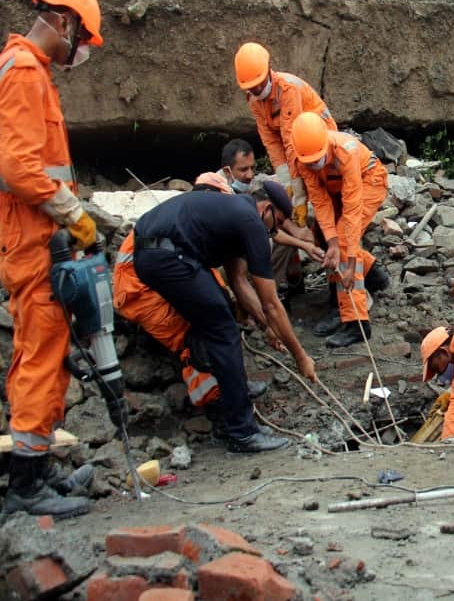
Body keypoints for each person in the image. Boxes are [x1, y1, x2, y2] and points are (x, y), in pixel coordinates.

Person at [0, 0, 104, 518]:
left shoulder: (32, 71)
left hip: (43, 241)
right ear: (63, 21)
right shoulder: (22, 72)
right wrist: (71, 212)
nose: (79, 50)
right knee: (39, 357)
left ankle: (39, 468)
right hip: (33, 241)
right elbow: (19, 168)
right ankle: (25, 486)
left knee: (48, 354)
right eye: (81, 38)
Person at [131, 183, 316, 453]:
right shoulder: (251, 222)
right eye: (276, 223)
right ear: (266, 208)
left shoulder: (234, 214)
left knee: (219, 311)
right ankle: (242, 431)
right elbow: (271, 303)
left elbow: (240, 282)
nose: (272, 232)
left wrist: (267, 327)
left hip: (156, 253)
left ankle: (233, 392)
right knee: (223, 330)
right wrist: (300, 356)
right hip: (165, 256)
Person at [290, 112, 390, 346]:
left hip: (369, 181)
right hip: (335, 190)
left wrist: (350, 260)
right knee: (323, 235)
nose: (314, 164)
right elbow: (320, 201)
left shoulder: (346, 151)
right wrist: (331, 242)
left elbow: (352, 211)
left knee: (345, 238)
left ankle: (356, 322)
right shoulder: (302, 159)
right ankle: (372, 274)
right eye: (310, 162)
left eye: (318, 159)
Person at [234, 42, 337, 229]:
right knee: (296, 185)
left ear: (268, 70)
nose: (256, 90)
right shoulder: (254, 100)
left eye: (258, 84)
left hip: (320, 137)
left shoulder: (288, 89)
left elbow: (292, 142)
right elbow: (271, 141)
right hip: (295, 140)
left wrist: (299, 196)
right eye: (251, 87)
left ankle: (330, 221)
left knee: (316, 183)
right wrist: (285, 182)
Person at [218, 138, 323, 302]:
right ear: (227, 171)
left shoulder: (252, 185)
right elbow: (270, 232)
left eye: (252, 168)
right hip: (222, 262)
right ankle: (262, 299)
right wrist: (304, 244)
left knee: (293, 231)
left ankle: (285, 286)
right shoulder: (219, 194)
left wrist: (299, 234)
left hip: (247, 247)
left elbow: (273, 220)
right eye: (243, 170)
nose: (250, 175)